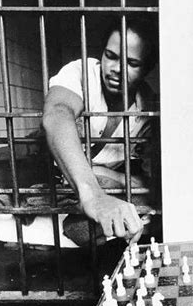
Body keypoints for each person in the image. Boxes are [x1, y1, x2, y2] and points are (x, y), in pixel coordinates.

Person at [43, 16, 159, 245]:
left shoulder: (146, 103)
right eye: (111, 56)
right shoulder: (82, 73)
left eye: (132, 64)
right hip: (68, 173)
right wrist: (92, 195)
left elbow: (147, 176)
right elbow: (57, 113)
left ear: (147, 68)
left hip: (110, 179)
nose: (116, 69)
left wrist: (114, 179)